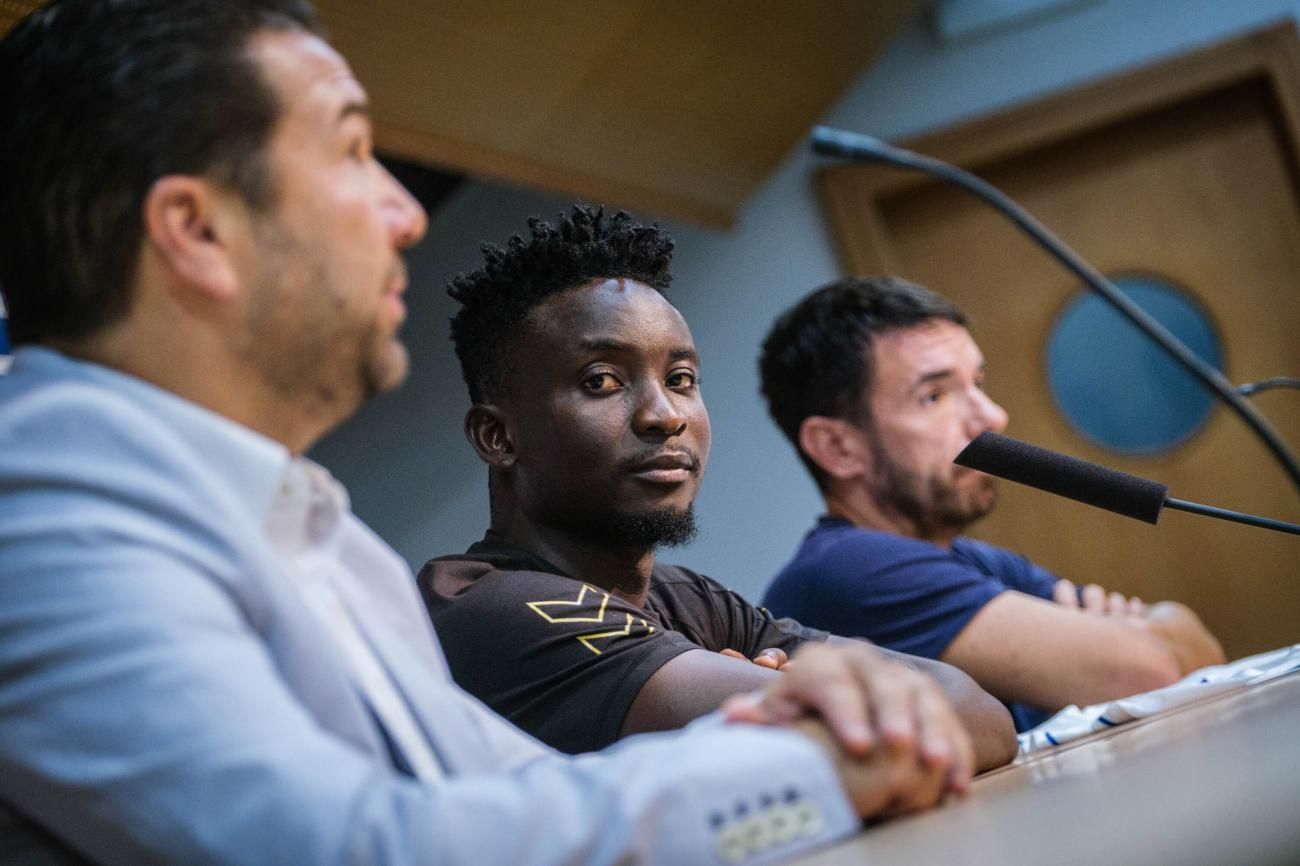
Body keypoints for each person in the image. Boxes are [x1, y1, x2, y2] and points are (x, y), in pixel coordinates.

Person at [0, 4, 980, 864]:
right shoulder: (40, 528)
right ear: (198, 230)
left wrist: (819, 735)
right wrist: (813, 753)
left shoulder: (323, 536)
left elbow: (497, 795)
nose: (404, 213)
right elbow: (367, 849)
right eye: (350, 152)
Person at [420, 206, 1015, 770]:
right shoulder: (487, 607)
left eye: (681, 379)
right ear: (497, 436)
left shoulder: (690, 601)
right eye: (601, 381)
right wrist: (801, 697)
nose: (665, 415)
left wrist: (778, 699)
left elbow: (980, 715)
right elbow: (873, 750)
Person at [757, 276, 1226, 730]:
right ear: (838, 447)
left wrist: (1157, 633)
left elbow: (1203, 661)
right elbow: (1159, 671)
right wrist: (1148, 630)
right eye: (934, 396)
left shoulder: (973, 560)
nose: (992, 417)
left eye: (977, 383)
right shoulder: (850, 570)